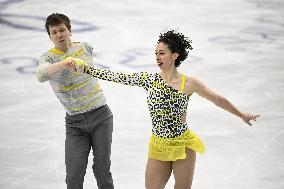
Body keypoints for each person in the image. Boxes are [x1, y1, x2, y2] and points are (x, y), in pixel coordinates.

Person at [68, 30, 260, 189]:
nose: (157, 57)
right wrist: (86, 68)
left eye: (162, 53)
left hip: (182, 144)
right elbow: (117, 76)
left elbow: (218, 99)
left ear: (175, 55)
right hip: (158, 144)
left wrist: (242, 114)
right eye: (156, 53)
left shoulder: (189, 83)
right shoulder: (150, 80)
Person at [36, 13, 114, 189]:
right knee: (74, 174)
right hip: (75, 124)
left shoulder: (86, 47)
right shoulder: (48, 58)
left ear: (70, 30)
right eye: (54, 32)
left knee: (102, 169)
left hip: (101, 116)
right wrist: (65, 63)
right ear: (49, 37)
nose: (59, 35)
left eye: (62, 30)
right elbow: (41, 75)